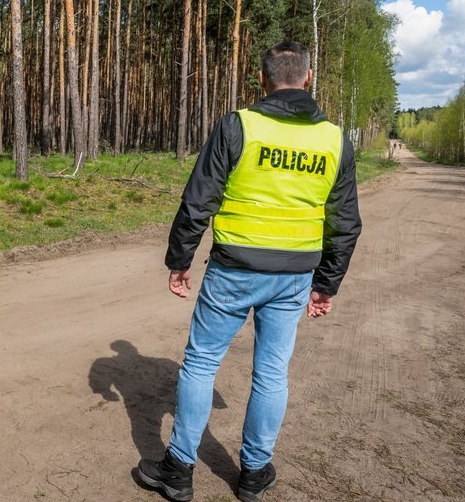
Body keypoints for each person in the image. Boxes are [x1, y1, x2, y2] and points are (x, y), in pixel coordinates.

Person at [137, 41, 362, 502]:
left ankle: (178, 472)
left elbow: (198, 201)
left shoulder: (238, 125)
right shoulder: (334, 140)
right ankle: (254, 475)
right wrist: (326, 284)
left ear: (262, 79)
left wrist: (179, 261)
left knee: (200, 363)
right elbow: (345, 222)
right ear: (309, 77)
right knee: (272, 374)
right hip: (295, 275)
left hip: (234, 270)